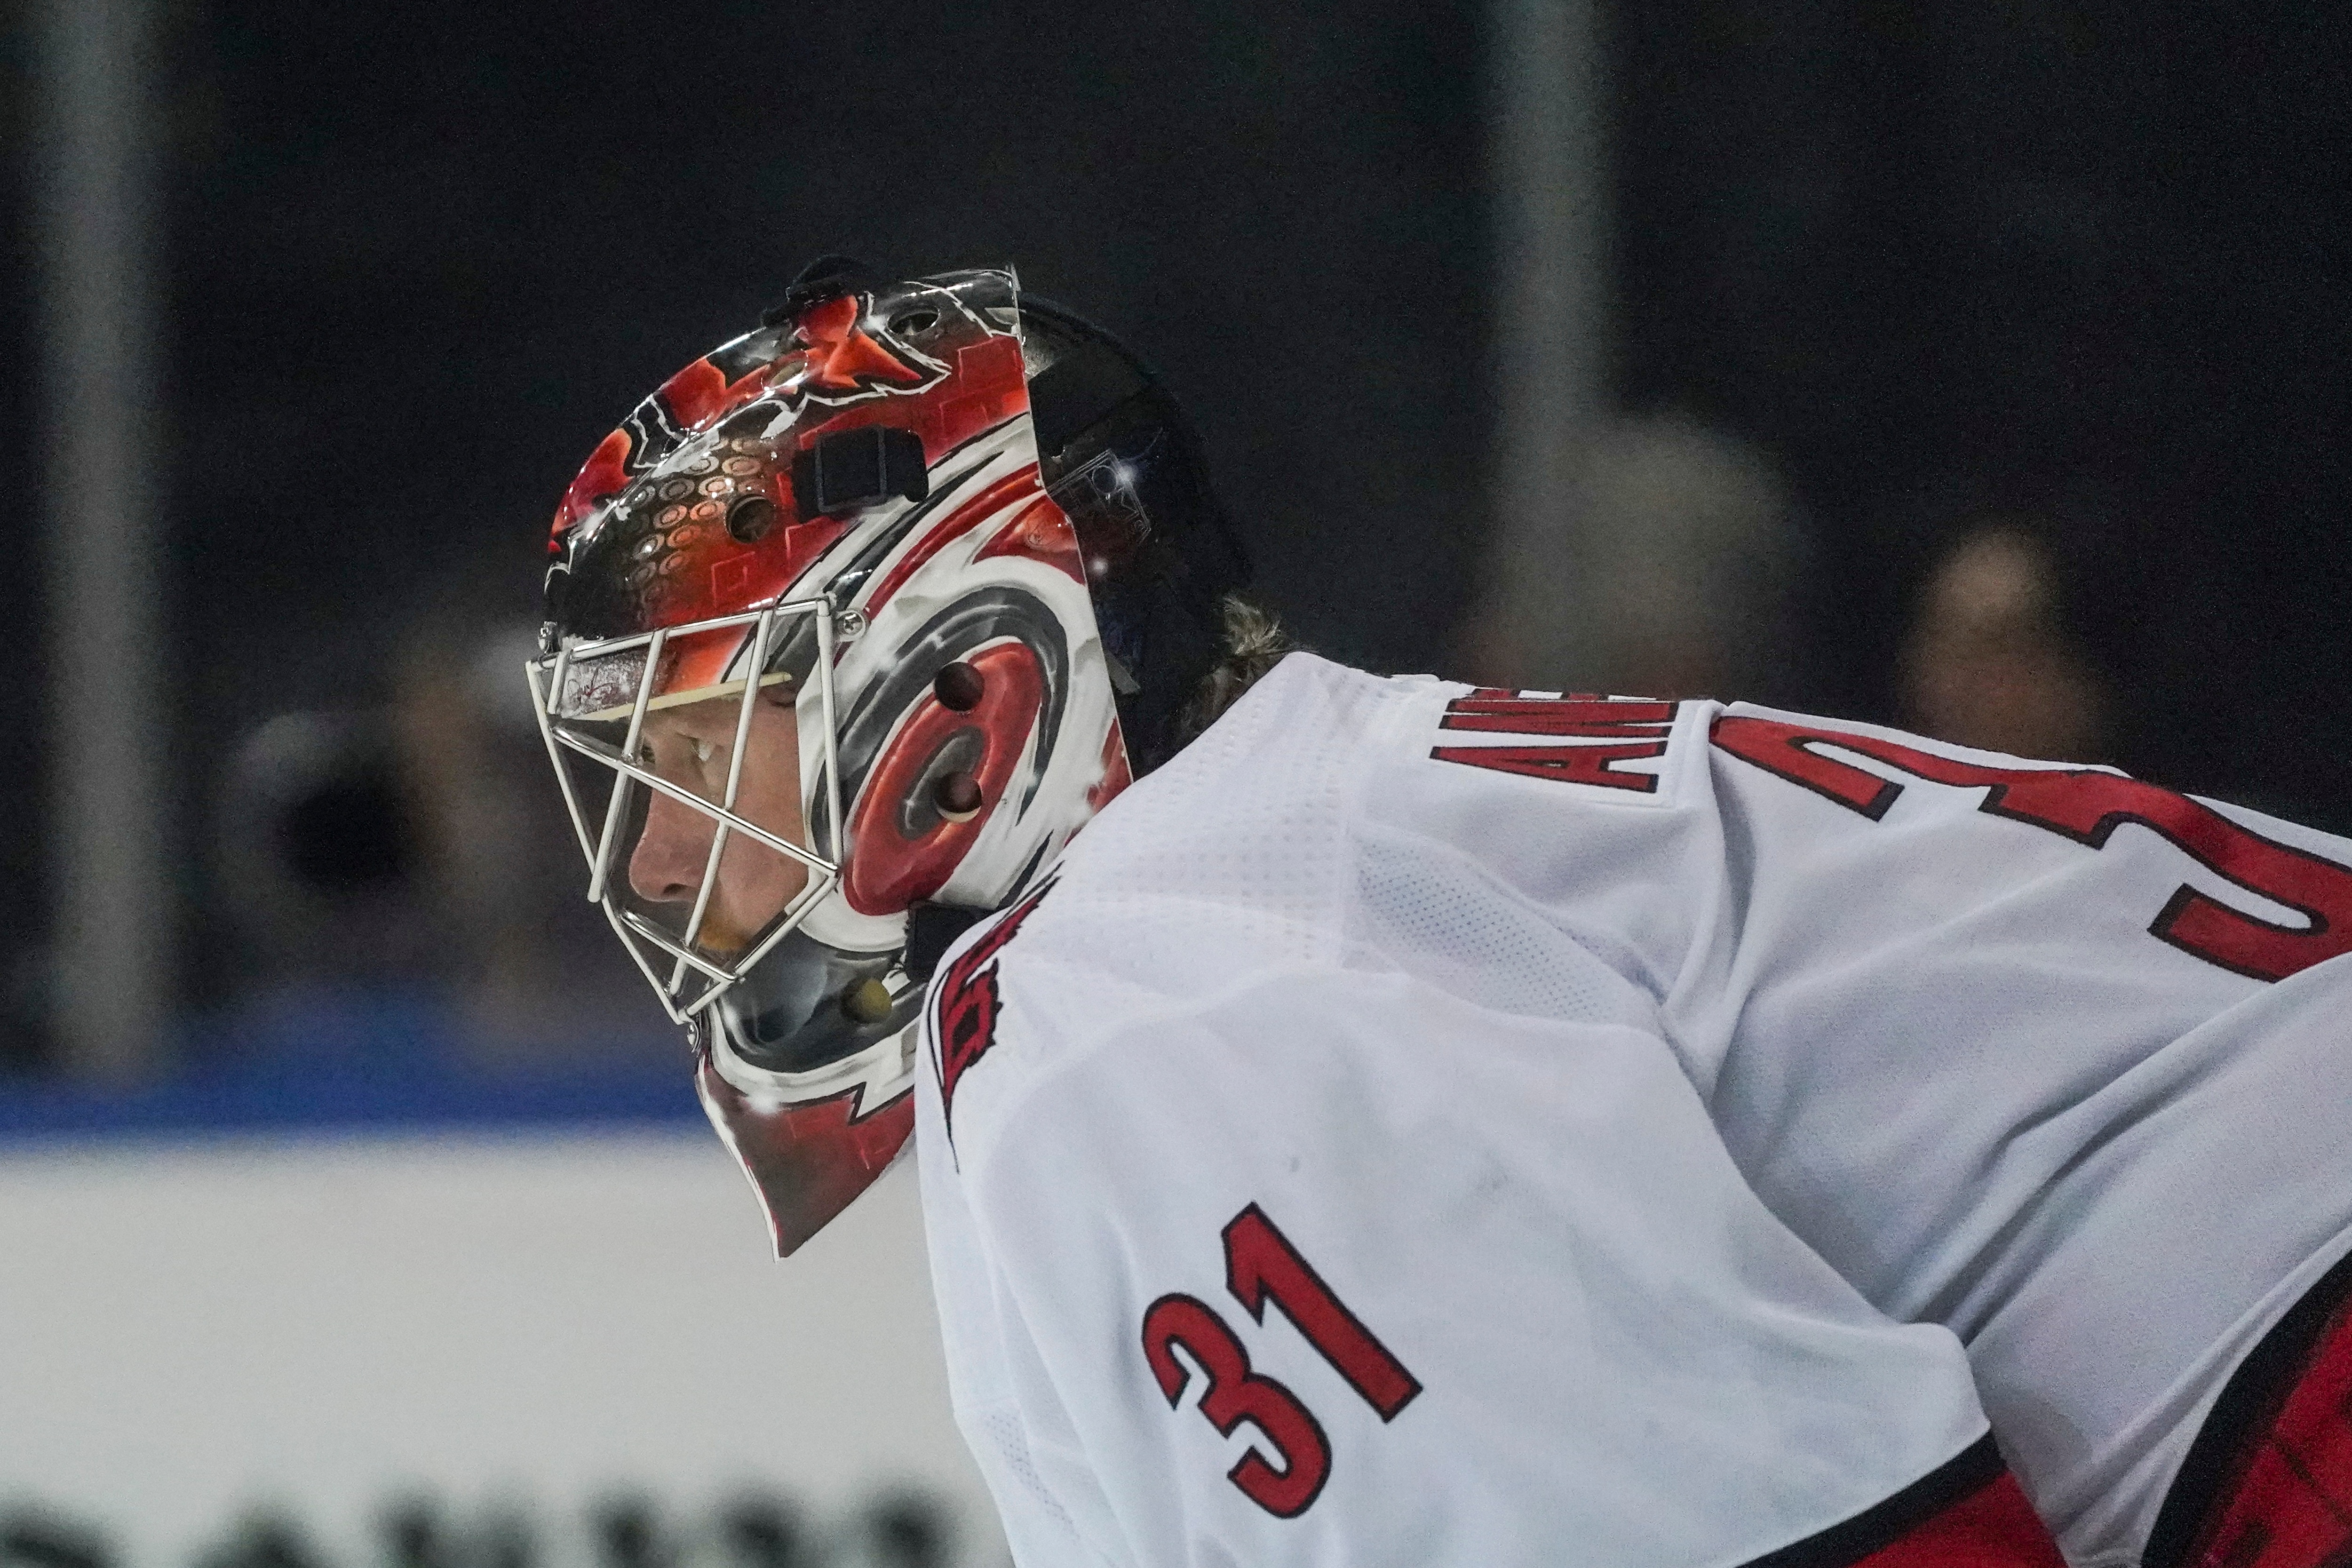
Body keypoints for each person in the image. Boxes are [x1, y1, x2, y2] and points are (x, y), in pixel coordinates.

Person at [526, 262, 2352, 1568]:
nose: (666, 866)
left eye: (707, 748)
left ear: (955, 687)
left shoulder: (1153, 980)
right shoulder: (1313, 851)